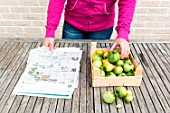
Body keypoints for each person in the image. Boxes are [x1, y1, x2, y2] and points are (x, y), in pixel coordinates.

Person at [43, 0, 136, 59]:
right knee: (69, 60)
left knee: (96, 62)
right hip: (73, 24)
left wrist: (123, 33)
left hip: (102, 27)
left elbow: (127, 2)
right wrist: (50, 32)